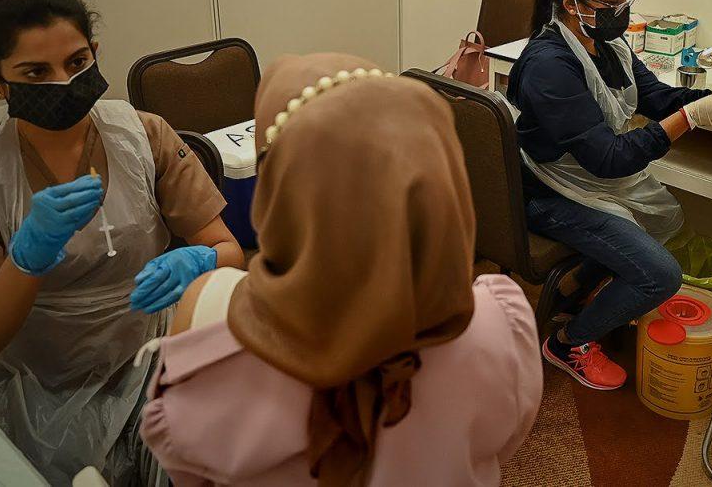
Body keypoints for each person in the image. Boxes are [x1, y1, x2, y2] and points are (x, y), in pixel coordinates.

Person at [139, 53, 543, 486]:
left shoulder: (208, 328)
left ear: (276, 190)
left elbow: (189, 476)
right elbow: (502, 443)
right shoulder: (499, 323)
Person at [0, 0, 245, 486]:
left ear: (94, 53)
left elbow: (229, 251)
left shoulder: (146, 136)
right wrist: (26, 260)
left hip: (145, 359)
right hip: (36, 386)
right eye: (35, 73)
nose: (62, 84)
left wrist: (198, 261)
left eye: (76, 63)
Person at [506, 0, 712, 390]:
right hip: (547, 191)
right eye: (612, 0)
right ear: (571, 4)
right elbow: (608, 160)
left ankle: (582, 290)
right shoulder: (549, 65)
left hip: (582, 179)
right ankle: (568, 343)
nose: (622, 10)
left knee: (659, 221)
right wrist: (690, 119)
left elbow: (655, 97)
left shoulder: (609, 45)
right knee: (660, 274)